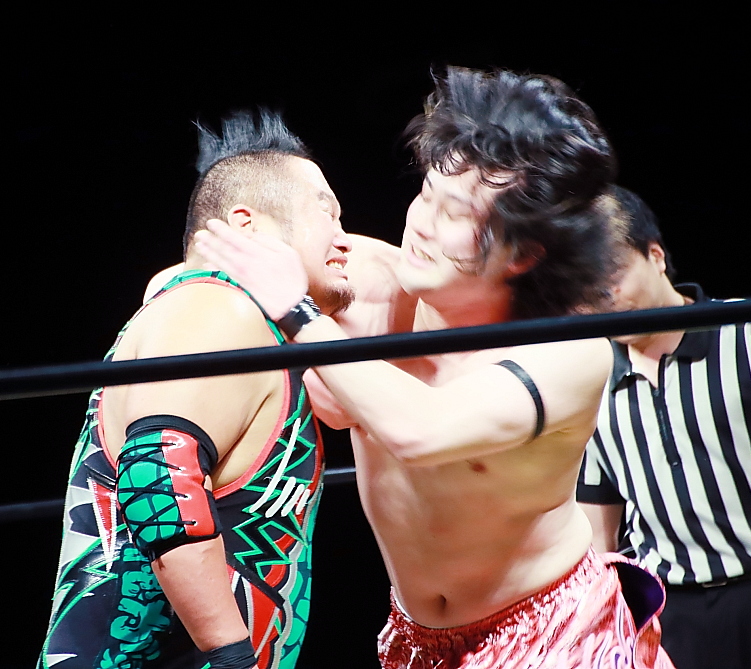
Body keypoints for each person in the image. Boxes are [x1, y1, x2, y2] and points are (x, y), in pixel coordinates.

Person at [195, 67, 674, 669]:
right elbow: (195, 275)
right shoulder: (368, 281)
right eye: (426, 192)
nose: (420, 223)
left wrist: (300, 315)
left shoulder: (567, 350)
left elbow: (421, 430)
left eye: (454, 214)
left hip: (553, 632)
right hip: (414, 638)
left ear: (523, 253)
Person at [38, 110, 354, 669]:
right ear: (245, 224)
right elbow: (158, 478)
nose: (344, 239)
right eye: (326, 213)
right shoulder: (215, 307)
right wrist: (232, 659)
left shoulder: (233, 317)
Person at [577, 187, 751, 668]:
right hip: (675, 617)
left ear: (656, 256)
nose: (604, 301)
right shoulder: (589, 384)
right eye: (585, 292)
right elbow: (597, 536)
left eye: (613, 278)